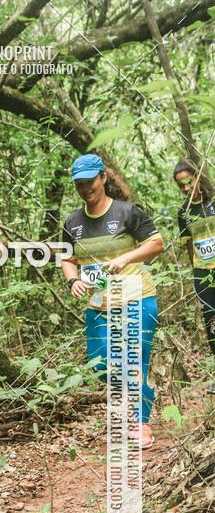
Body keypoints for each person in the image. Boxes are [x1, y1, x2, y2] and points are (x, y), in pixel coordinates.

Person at [61, 153, 164, 448]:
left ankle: (140, 421)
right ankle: (134, 404)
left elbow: (156, 244)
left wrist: (125, 258)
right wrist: (73, 280)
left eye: (90, 181)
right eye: (80, 184)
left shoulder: (128, 212)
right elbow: (67, 259)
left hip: (137, 298)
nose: (85, 188)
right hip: (99, 305)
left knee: (135, 362)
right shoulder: (73, 222)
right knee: (100, 362)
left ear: (103, 178)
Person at [173, 159, 215, 393]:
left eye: (189, 182)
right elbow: (190, 248)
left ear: (198, 178)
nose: (187, 188)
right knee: (212, 323)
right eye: (182, 186)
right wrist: (197, 273)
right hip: (203, 274)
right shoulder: (184, 213)